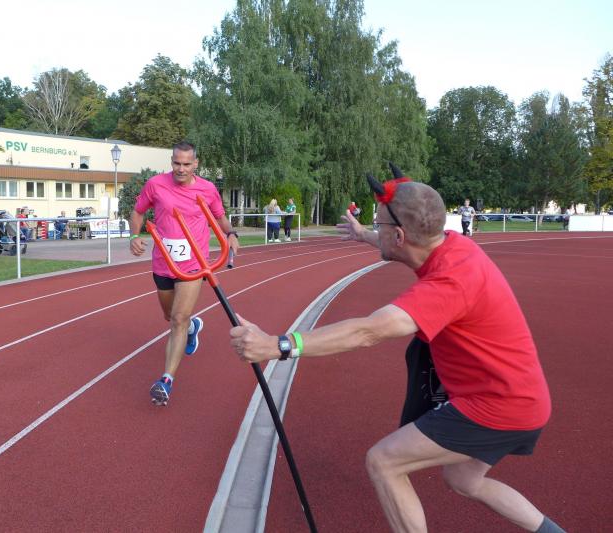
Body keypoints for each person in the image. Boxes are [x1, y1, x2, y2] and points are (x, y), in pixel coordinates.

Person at [230, 169, 564, 533]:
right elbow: (402, 242)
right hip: (521, 396)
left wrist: (277, 345)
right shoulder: (453, 246)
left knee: (384, 462)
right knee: (464, 480)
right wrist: (365, 235)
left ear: (400, 235)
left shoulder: (448, 283)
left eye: (380, 225)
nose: (378, 229)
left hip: (498, 405)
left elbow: (369, 331)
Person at [129, 141, 239, 406]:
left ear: (195, 164)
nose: (181, 169)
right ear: (171, 162)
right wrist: (134, 235)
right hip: (163, 263)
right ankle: (193, 327)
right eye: (177, 163)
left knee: (178, 319)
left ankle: (166, 380)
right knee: (170, 316)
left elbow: (220, 217)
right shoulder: (155, 184)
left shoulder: (208, 189)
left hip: (194, 263)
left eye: (187, 164)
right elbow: (137, 212)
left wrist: (231, 233)